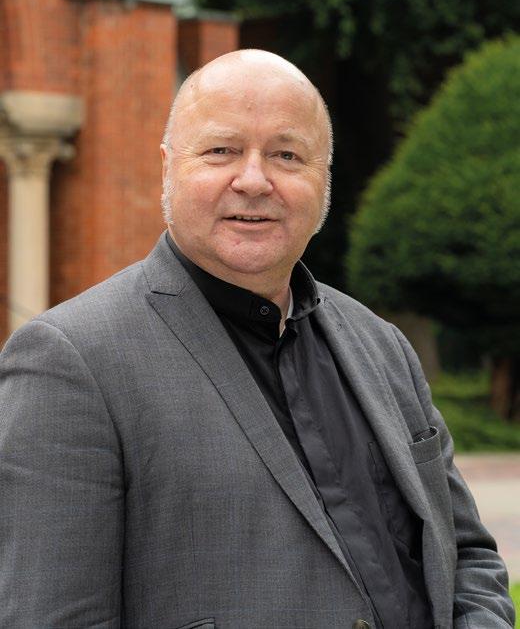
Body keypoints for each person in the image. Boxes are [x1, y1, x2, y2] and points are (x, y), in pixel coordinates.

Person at [0, 49, 514, 629]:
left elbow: (468, 558)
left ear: (323, 180)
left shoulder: (382, 346)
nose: (253, 180)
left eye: (286, 155)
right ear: (168, 167)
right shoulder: (70, 362)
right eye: (221, 150)